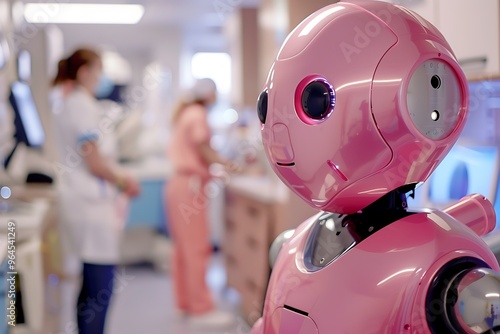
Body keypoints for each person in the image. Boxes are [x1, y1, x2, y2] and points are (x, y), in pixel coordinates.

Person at [50, 47, 140, 334]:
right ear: (85, 72)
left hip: (89, 200)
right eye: (99, 70)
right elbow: (94, 161)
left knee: (91, 286)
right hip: (89, 204)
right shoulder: (79, 103)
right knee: (100, 284)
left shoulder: (79, 102)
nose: (103, 78)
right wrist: (124, 180)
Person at [165, 78, 240, 329]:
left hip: (178, 185)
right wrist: (226, 164)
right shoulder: (198, 114)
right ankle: (200, 308)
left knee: (183, 250)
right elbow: (202, 147)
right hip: (190, 187)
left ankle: (184, 303)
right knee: (197, 248)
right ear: (208, 94)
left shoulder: (186, 112)